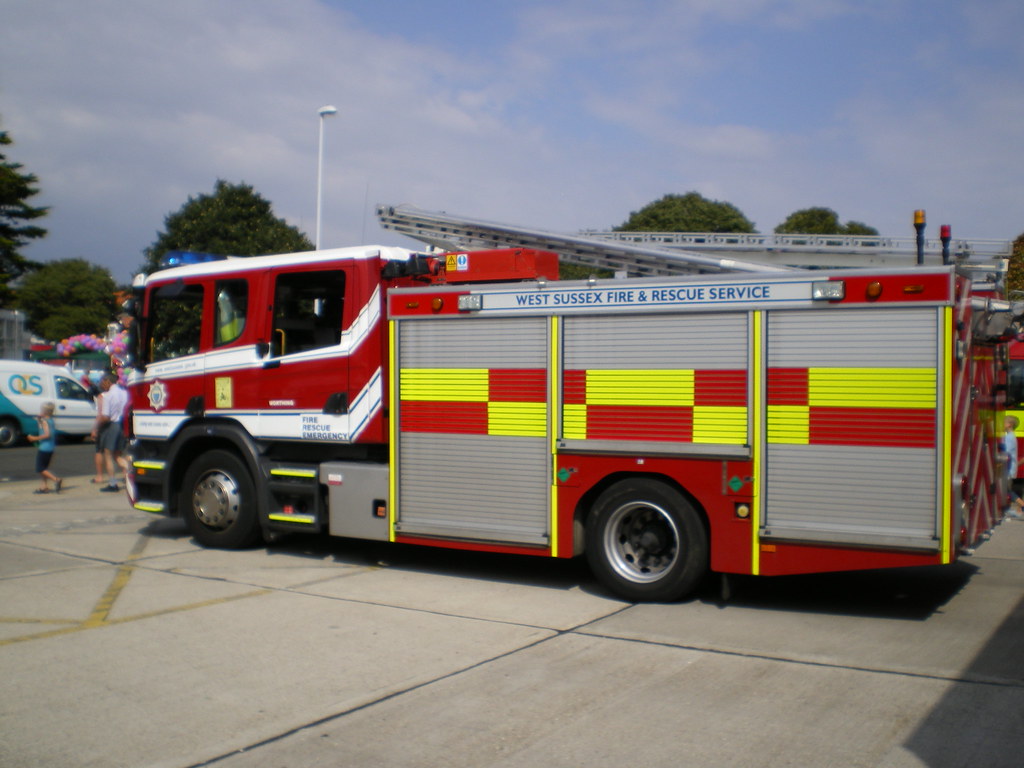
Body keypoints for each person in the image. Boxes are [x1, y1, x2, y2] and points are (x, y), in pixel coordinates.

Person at [91, 373, 128, 492]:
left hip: (112, 425)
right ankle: (131, 472)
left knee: (108, 454)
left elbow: (105, 417)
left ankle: (113, 483)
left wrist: (96, 427)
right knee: (118, 455)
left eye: (102, 382)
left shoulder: (108, 396)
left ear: (107, 381)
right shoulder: (125, 393)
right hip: (123, 424)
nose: (102, 385)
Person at [26, 402, 62, 494]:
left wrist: (34, 438)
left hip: (44, 448)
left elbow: (47, 434)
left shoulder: (45, 421)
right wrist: (39, 419)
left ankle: (56, 479)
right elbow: (42, 428)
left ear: (45, 411)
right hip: (50, 447)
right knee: (44, 468)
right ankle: (44, 487)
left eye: (42, 409)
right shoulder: (50, 420)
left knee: (40, 468)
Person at [1002, 415, 1023, 520]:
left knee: (1006, 490)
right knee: (1006, 490)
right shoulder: (1010, 436)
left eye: (1004, 422)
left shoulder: (1009, 437)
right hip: (1009, 468)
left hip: (1008, 469)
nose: (1002, 424)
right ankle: (1006, 509)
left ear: (1009, 425)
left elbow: (1006, 452)